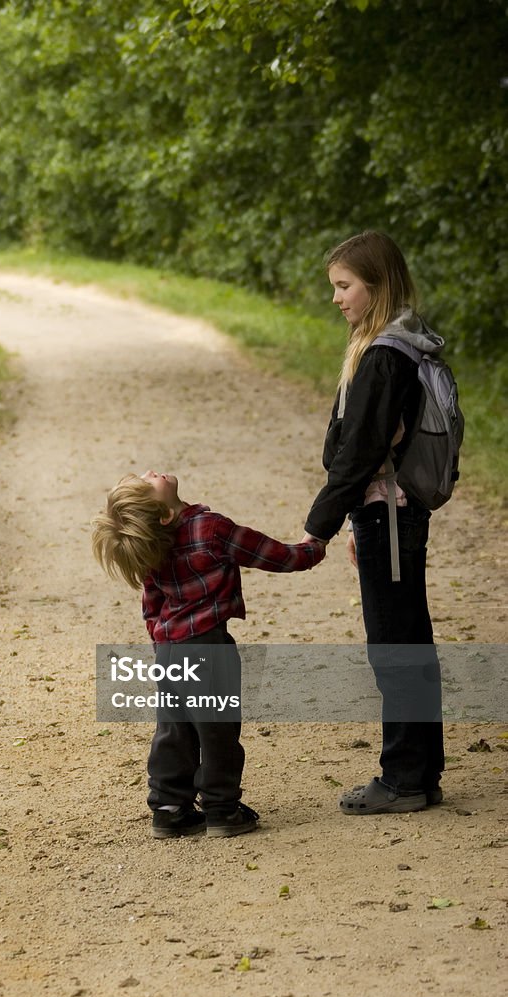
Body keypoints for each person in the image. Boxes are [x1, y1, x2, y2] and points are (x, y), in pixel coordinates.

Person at [92, 470, 325, 838]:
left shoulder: (152, 543)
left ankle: (169, 809)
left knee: (174, 729)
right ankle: (221, 810)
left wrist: (162, 650)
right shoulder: (211, 529)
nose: (150, 473)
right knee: (217, 732)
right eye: (147, 483)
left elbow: (151, 606)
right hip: (209, 647)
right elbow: (274, 555)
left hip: (169, 651)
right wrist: (314, 546)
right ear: (165, 514)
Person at [302, 230, 445, 814]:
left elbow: (359, 450)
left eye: (345, 286)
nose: (337, 298)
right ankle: (420, 771)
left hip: (388, 512)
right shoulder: (398, 341)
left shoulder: (384, 355)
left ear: (377, 286)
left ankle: (405, 779)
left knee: (394, 644)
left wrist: (319, 527)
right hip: (392, 512)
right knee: (409, 635)